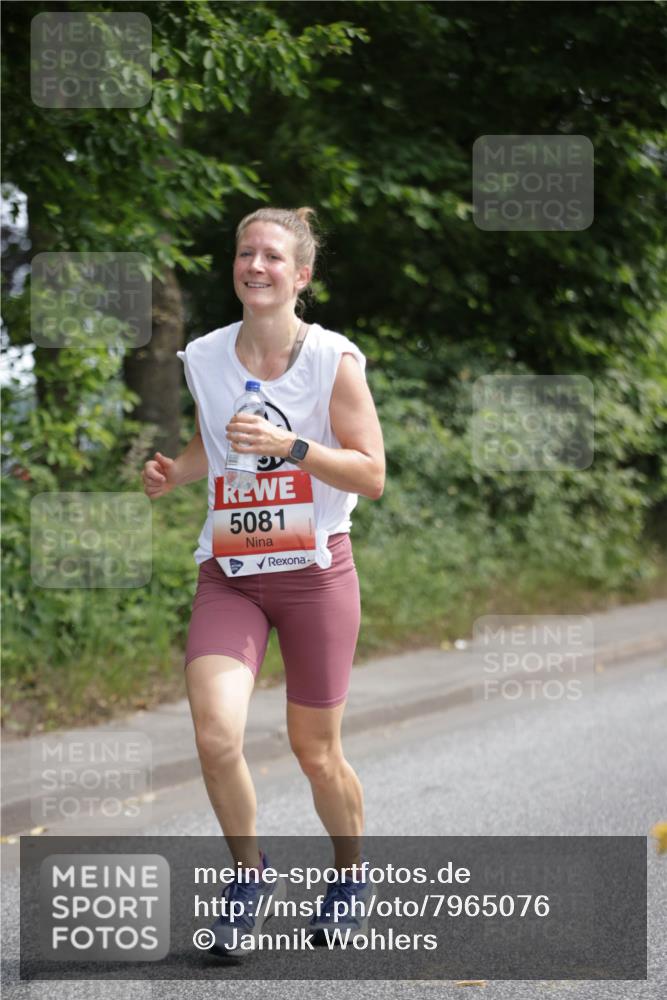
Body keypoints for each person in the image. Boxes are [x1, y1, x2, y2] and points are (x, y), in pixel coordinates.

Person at [142, 206, 385, 952]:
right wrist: (175, 472)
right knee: (216, 735)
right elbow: (212, 443)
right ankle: (249, 877)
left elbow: (371, 474)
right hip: (232, 573)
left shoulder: (333, 360)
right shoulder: (205, 355)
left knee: (315, 752)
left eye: (273, 256)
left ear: (300, 275)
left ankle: (349, 877)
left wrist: (291, 445)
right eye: (246, 253)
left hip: (315, 575)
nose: (256, 265)